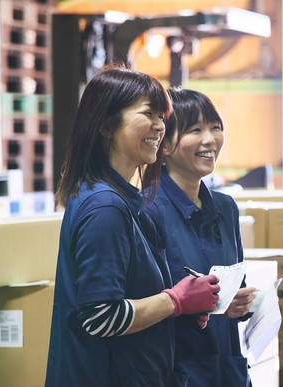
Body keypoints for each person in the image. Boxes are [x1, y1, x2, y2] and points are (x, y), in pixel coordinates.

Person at [45, 64, 221, 387]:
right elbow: (100, 315)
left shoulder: (123, 200)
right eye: (148, 114)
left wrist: (181, 307)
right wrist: (175, 300)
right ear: (106, 126)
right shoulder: (105, 208)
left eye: (161, 117)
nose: (159, 127)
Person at [144, 88, 257, 386]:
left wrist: (241, 303)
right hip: (178, 371)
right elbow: (144, 307)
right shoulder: (147, 210)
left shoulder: (225, 208)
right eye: (195, 130)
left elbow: (234, 284)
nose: (210, 139)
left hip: (227, 369)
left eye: (215, 127)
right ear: (164, 145)